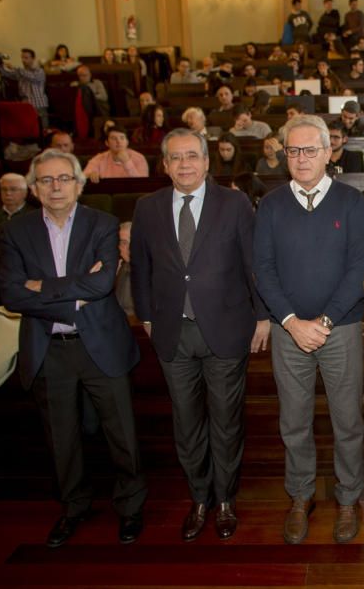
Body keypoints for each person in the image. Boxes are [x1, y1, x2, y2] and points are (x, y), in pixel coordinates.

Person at [0, 149, 146, 548]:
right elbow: (11, 294)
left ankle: (131, 508)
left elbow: (100, 287)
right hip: (49, 347)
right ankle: (74, 507)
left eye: (64, 178)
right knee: (61, 438)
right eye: (46, 180)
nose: (56, 187)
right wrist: (72, 295)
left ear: (80, 184)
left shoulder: (103, 223)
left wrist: (40, 288)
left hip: (101, 343)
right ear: (33, 189)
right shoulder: (17, 232)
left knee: (122, 434)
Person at [130, 128, 269, 542]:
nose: (185, 164)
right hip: (173, 333)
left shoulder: (235, 202)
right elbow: (140, 268)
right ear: (165, 165)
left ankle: (225, 499)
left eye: (192, 156)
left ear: (207, 162)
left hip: (226, 331)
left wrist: (262, 317)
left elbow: (252, 263)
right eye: (176, 158)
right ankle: (200, 498)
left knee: (226, 422)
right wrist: (147, 317)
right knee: (187, 423)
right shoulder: (147, 207)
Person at [253, 114, 364, 545]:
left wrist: (321, 323)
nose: (301, 158)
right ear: (285, 156)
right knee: (295, 422)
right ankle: (301, 496)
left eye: (310, 150)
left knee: (347, 422)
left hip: (338, 330)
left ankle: (347, 499)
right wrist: (290, 322)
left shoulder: (350, 201)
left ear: (328, 152)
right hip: (288, 333)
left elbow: (359, 268)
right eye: (293, 150)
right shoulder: (269, 204)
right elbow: (263, 271)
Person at [0, 48, 49, 129]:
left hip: (39, 105)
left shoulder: (39, 71)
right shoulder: (20, 72)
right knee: (28, 129)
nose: (23, 60)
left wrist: (15, 68)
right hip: (25, 105)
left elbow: (32, 77)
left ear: (33, 58)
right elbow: (6, 74)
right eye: (22, 57)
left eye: (26, 58)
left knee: (43, 130)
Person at [83, 126, 149, 183]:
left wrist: (127, 162)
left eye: (122, 138)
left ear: (127, 142)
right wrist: (90, 175)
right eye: (114, 138)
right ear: (107, 143)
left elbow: (141, 184)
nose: (118, 141)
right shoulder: (99, 158)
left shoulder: (139, 158)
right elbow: (82, 177)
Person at [115, 221, 135, 317]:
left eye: (133, 241)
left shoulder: (156, 271)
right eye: (123, 243)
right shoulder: (118, 269)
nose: (129, 248)